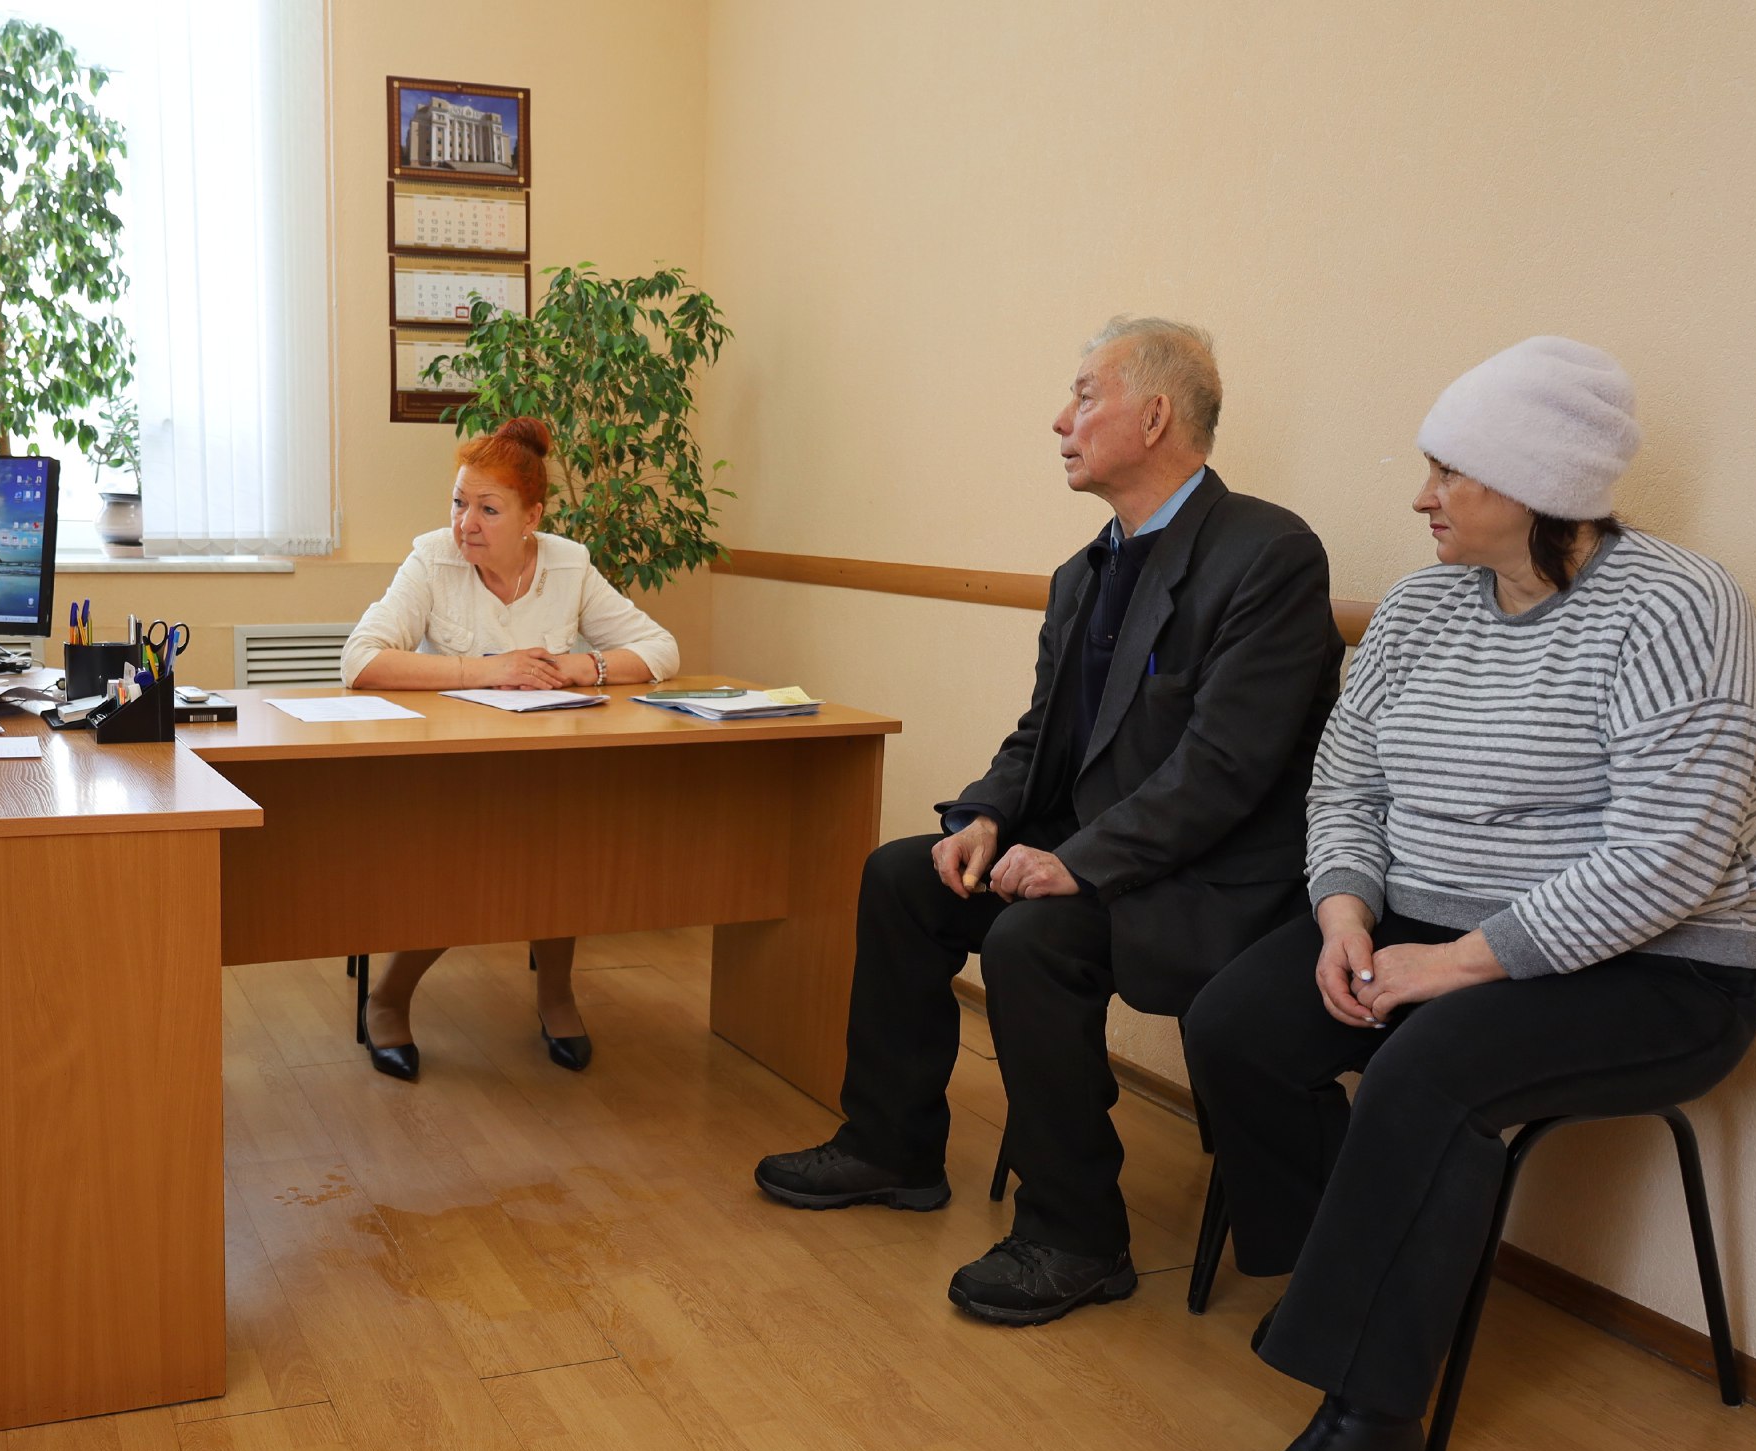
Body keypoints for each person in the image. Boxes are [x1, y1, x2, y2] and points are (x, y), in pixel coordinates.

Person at [1182, 336, 1756, 1451]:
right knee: (1234, 1022)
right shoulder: (1419, 608)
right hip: (1421, 922)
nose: (1422, 496)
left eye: (1449, 470)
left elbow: (1667, 860)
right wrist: (1345, 911)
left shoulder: (1680, 607)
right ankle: (1348, 1283)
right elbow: (1347, 779)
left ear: (1537, 481)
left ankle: (1374, 1416)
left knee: (1429, 1071)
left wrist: (1449, 966)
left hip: (1661, 967)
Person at [753, 317, 1344, 1329]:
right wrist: (984, 814)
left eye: (1083, 395)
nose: (1059, 420)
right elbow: (1042, 736)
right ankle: (892, 1147)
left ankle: (1077, 1234)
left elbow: (1225, 770)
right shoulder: (1084, 572)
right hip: (1100, 854)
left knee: (1033, 939)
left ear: (1153, 416)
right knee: (904, 877)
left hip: (1213, 879)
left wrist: (1079, 861)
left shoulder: (1268, 555)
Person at [339, 415, 680, 1081]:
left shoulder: (569, 564)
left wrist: (583, 667)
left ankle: (556, 995)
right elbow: (360, 661)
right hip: (449, 769)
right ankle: (389, 998)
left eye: (487, 509)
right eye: (458, 502)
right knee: (471, 857)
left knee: (563, 844)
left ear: (532, 517)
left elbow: (660, 649)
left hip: (543, 766)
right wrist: (487, 669)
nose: (465, 523)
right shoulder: (433, 559)